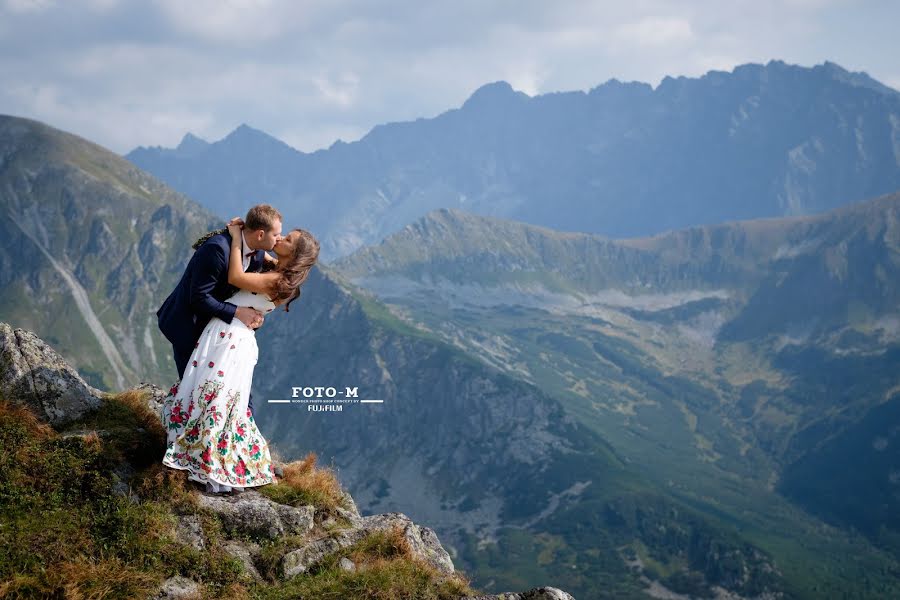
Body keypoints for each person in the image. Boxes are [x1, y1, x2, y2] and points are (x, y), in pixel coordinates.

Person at [160, 219, 320, 494]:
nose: (280, 239)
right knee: (227, 398)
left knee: (215, 395)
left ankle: (210, 457)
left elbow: (235, 277)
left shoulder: (275, 278)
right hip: (234, 336)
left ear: (294, 254)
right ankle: (222, 452)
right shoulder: (280, 274)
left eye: (287, 240)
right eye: (281, 234)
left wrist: (235, 236)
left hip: (229, 338)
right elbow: (260, 253)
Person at [156, 204, 283, 418]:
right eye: (277, 234)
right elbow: (198, 298)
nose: (279, 239)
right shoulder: (217, 249)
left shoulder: (259, 253)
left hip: (219, 332)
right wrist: (237, 312)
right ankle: (185, 443)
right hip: (190, 326)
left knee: (236, 390)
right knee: (195, 393)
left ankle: (238, 439)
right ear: (260, 234)